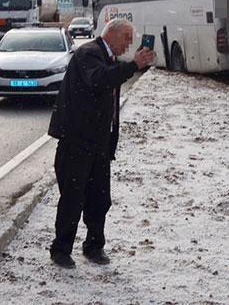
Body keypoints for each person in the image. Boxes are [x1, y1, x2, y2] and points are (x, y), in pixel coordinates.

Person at [47, 18, 155, 268]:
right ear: (113, 35)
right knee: (72, 198)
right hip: (76, 141)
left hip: (98, 143)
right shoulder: (89, 53)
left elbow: (108, 83)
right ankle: (60, 249)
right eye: (127, 38)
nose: (130, 45)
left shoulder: (109, 59)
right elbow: (99, 80)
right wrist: (133, 66)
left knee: (99, 198)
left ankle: (94, 246)